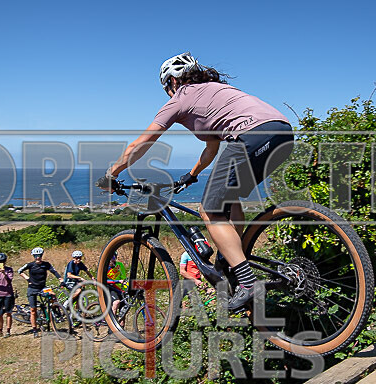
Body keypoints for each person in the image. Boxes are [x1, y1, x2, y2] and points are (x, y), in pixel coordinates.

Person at [96, 52, 294, 311]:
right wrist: (192, 174)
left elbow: (142, 143)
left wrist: (112, 174)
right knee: (230, 198)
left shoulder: (180, 99)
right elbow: (212, 147)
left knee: (209, 210)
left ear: (172, 81)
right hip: (282, 133)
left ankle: (247, 282)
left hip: (251, 136)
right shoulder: (215, 91)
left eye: (166, 87)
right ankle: (234, 259)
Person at [18, 247, 63, 337]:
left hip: (42, 287)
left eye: (39, 255)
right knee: (33, 310)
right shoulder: (30, 265)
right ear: (33, 256)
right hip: (32, 289)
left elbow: (54, 271)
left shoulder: (46, 264)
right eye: (36, 256)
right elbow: (20, 271)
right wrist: (27, 278)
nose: (37, 257)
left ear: (42, 256)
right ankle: (35, 329)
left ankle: (56, 311)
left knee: (53, 295)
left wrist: (60, 279)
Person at [106, 253, 128, 317]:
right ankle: (111, 321)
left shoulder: (120, 265)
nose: (111, 260)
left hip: (119, 289)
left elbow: (123, 278)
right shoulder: (105, 267)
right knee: (116, 302)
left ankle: (121, 322)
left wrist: (126, 288)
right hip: (109, 288)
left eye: (113, 258)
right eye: (110, 258)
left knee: (123, 309)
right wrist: (117, 281)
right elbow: (104, 280)